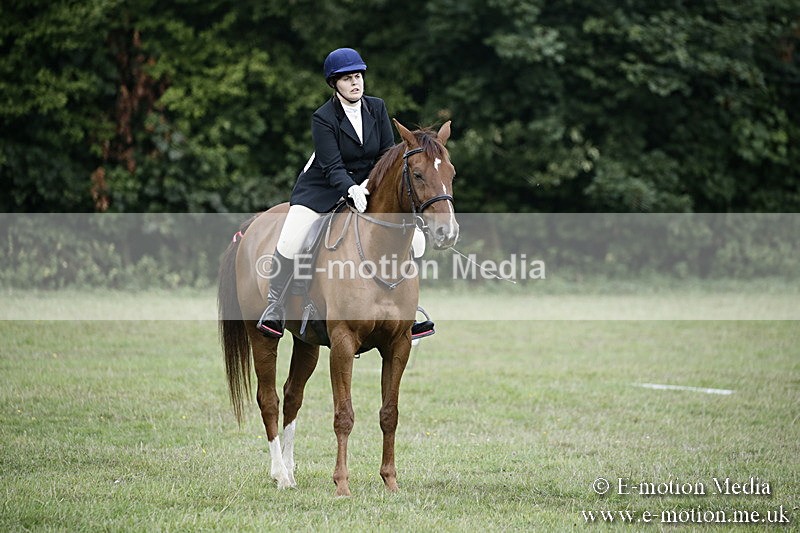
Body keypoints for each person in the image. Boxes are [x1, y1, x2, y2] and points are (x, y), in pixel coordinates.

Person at [256, 47, 434, 340]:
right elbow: (331, 165)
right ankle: (275, 305)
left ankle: (409, 309)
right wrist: (350, 188)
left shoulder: (377, 107)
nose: (355, 83)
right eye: (347, 78)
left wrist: (370, 186)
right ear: (334, 84)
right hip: (323, 188)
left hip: (368, 185)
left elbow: (387, 156)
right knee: (292, 238)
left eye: (358, 76)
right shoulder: (323, 117)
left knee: (416, 239)